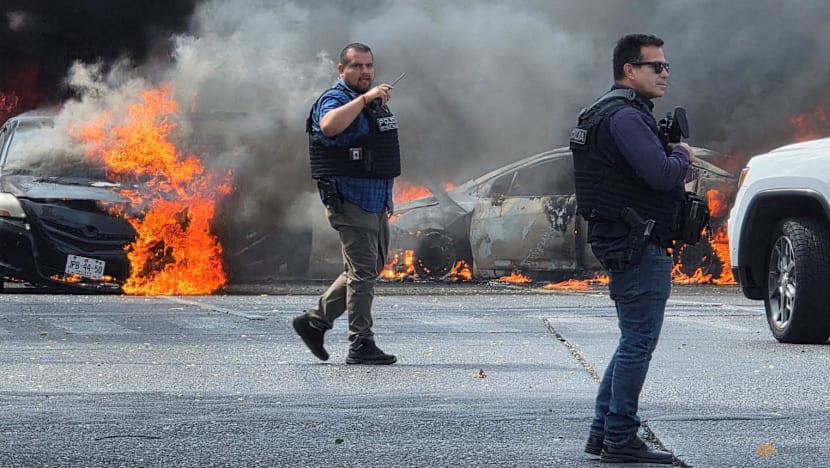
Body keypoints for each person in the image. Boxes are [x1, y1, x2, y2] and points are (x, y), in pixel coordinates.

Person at [569, 34, 694, 464]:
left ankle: (602, 434)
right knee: (639, 342)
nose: (665, 73)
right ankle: (620, 437)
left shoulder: (601, 113)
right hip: (637, 244)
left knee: (631, 341)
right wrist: (682, 156)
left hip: (624, 240)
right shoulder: (625, 117)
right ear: (629, 70)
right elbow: (661, 175)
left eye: (665, 65)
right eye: (655, 66)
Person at [293, 42, 400, 365]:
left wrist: (387, 197)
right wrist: (365, 99)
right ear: (342, 70)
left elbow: (379, 151)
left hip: (374, 200)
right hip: (350, 199)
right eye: (357, 66)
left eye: (369, 66)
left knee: (366, 270)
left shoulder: (370, 103)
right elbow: (329, 126)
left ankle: (315, 322)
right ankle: (360, 343)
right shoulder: (336, 99)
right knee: (363, 273)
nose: (365, 71)